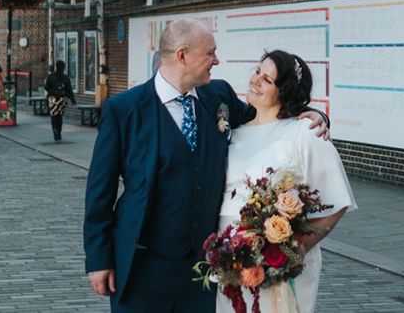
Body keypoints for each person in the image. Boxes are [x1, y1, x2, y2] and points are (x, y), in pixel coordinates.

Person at [83, 19, 328, 312]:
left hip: (204, 269)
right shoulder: (124, 110)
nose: (216, 60)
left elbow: (269, 113)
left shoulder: (218, 97)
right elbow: (100, 193)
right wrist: (99, 260)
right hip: (141, 264)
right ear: (182, 55)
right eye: (210, 53)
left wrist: (315, 115)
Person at [216, 50, 356, 313]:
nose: (256, 80)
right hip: (229, 264)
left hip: (277, 267)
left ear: (285, 92)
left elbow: (336, 205)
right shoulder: (234, 132)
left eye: (268, 80)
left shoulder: (306, 133)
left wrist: (292, 251)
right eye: (258, 71)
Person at [45, 60, 76, 141]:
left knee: (53, 115)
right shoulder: (65, 77)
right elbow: (69, 89)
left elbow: (46, 87)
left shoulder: (51, 76)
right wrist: (72, 99)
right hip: (62, 99)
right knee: (60, 116)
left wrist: (52, 91)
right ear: (63, 67)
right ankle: (58, 131)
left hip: (53, 99)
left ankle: (55, 130)